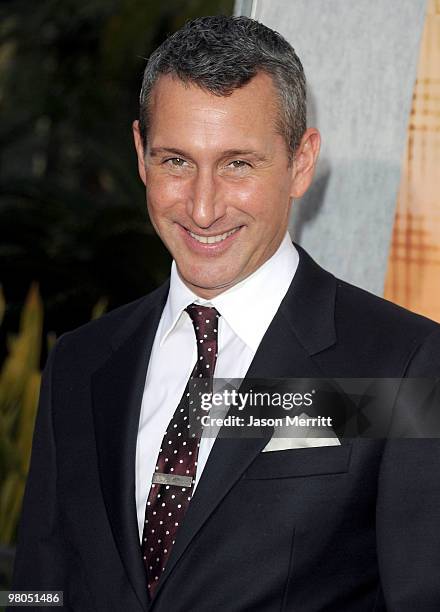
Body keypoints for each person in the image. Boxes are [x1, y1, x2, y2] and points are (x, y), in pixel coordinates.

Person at [10, 15, 440, 612]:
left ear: (301, 162)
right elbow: (41, 584)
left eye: (238, 163)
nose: (203, 207)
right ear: (140, 154)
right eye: (176, 162)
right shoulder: (82, 363)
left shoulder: (403, 366)